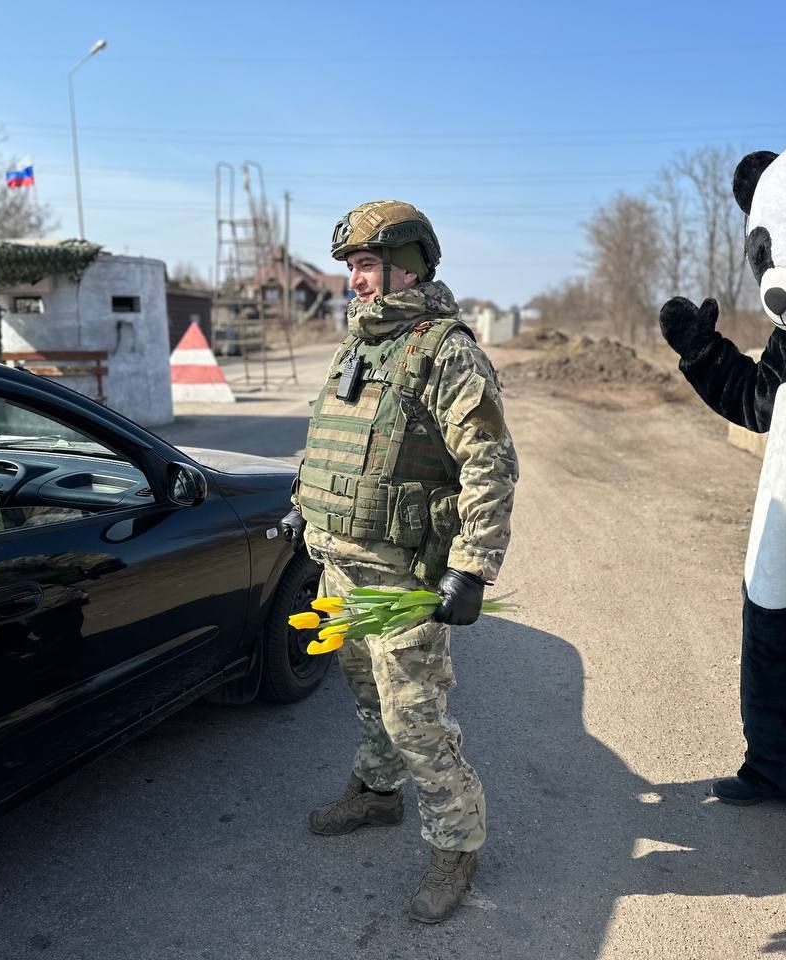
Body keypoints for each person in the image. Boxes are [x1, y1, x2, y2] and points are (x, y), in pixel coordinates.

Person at [281, 200, 518, 923]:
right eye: (350, 267)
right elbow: (332, 432)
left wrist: (472, 566)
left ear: (407, 264)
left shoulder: (444, 348)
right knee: (367, 699)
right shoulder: (358, 346)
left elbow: (490, 462)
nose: (354, 281)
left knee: (415, 716)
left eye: (365, 266)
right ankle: (378, 796)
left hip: (403, 576)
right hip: (341, 567)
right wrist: (303, 500)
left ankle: (457, 844)